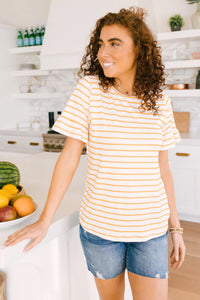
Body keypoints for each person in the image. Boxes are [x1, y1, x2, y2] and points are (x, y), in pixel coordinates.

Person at [5, 7, 186, 300]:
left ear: (139, 48)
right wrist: (44, 221)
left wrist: (175, 228)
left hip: (150, 228)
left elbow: (163, 168)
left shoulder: (160, 99)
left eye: (115, 43)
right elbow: (69, 157)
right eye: (101, 43)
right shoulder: (90, 90)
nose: (104, 51)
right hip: (101, 229)